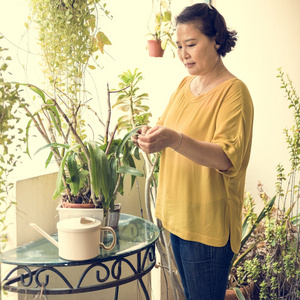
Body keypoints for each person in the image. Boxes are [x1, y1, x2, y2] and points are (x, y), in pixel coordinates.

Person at [133, 3, 253, 299]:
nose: (183, 54)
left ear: (217, 41)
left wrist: (174, 139)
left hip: (206, 225)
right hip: (176, 216)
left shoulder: (234, 92)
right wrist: (150, 135)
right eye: (178, 46)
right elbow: (165, 127)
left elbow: (225, 157)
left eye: (191, 44)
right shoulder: (184, 86)